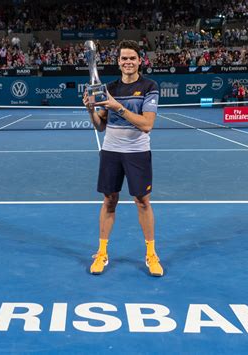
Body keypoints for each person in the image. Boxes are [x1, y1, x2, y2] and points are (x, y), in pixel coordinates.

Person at [82, 40, 163, 277]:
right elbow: (100, 125)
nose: (128, 62)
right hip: (111, 151)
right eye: (124, 58)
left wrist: (117, 107)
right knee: (109, 200)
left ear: (140, 61)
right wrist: (90, 109)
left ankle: (151, 254)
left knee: (142, 201)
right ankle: (102, 252)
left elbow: (147, 124)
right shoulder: (109, 88)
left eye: (132, 58)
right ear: (118, 62)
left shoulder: (150, 86)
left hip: (137, 151)